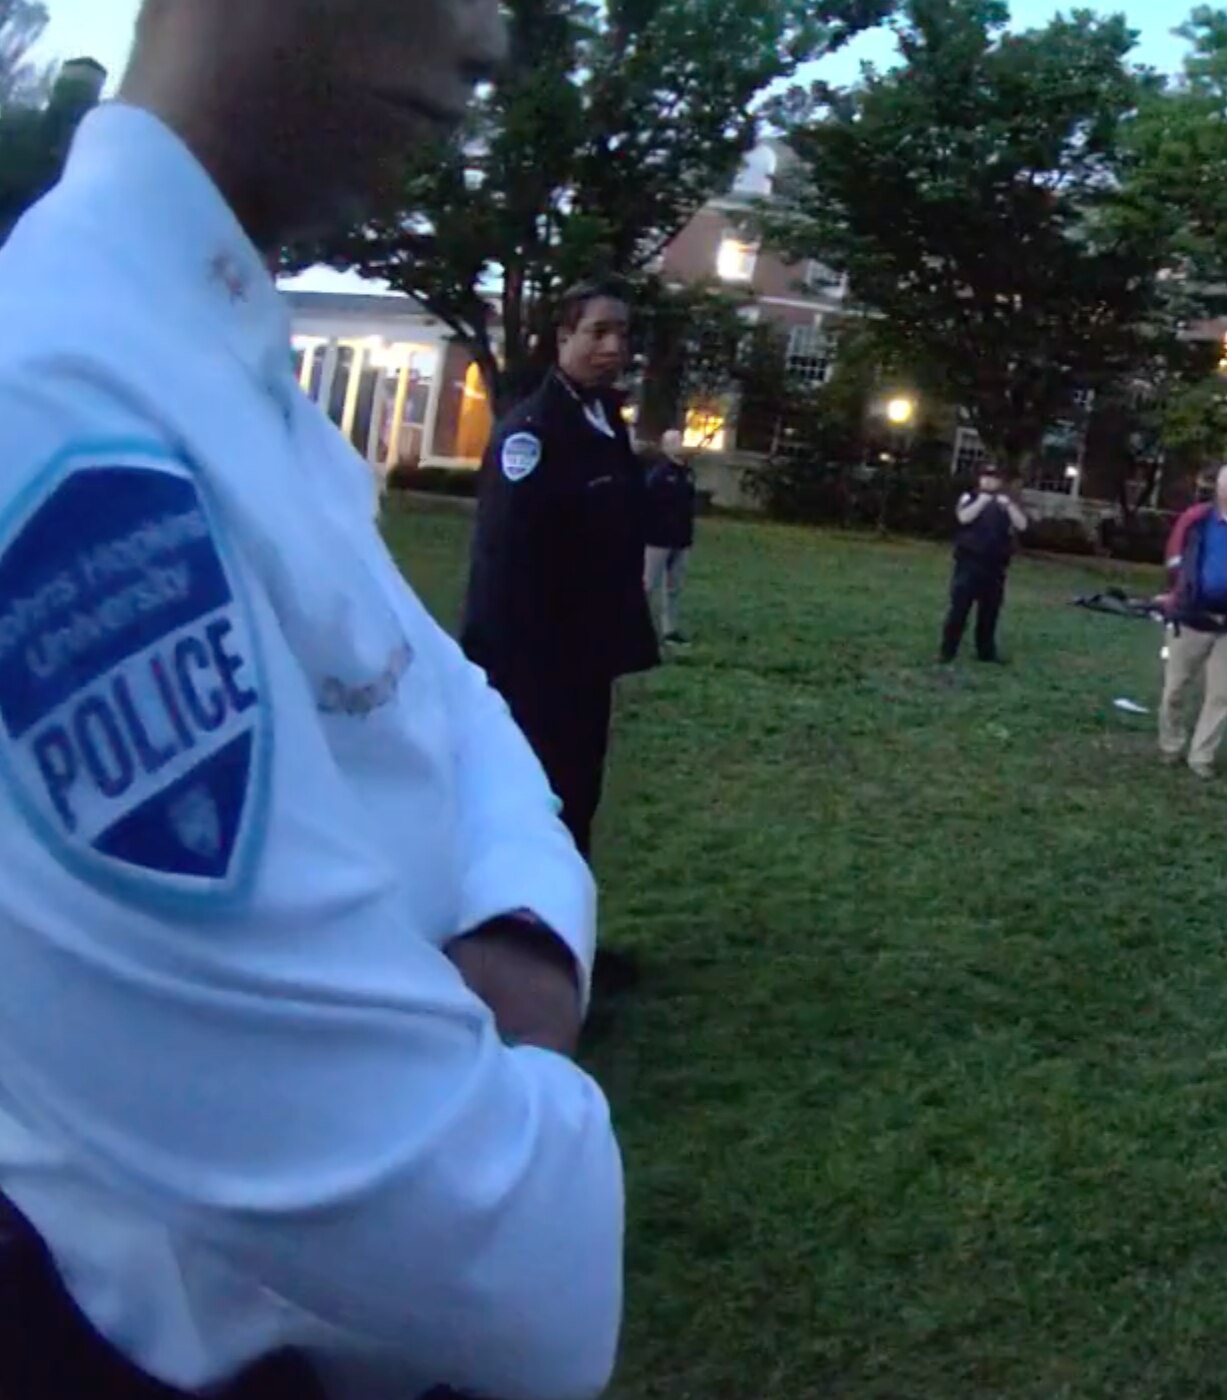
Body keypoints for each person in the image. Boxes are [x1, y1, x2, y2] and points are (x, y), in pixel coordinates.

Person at [0, 3, 623, 1397]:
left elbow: (455, 698)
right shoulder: (52, 401)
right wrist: (530, 1110)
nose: (490, 41)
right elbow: (505, 1260)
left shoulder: (219, 367)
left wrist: (523, 927)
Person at [463, 277, 661, 857]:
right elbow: (504, 559)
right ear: (564, 337)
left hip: (586, 662)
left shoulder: (605, 422)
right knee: (535, 805)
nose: (613, 347)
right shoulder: (532, 434)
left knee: (577, 798)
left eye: (622, 334)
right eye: (598, 332)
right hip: (536, 666)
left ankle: (568, 909)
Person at [1158, 463, 1227, 779]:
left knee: (1221, 695)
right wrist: (1180, 593)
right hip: (1191, 618)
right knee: (1175, 689)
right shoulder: (1195, 520)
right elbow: (1173, 558)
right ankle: (1171, 745)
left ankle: (1202, 757)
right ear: (1221, 489)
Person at [939, 462, 1029, 665]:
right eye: (985, 477)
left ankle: (986, 651)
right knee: (959, 608)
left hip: (995, 565)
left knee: (990, 611)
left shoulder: (1006, 502)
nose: (989, 481)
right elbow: (963, 517)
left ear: (1000, 482)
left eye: (994, 478)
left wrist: (1009, 506)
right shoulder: (969, 497)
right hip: (969, 562)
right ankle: (947, 651)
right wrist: (981, 501)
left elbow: (1022, 525)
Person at [642, 430, 698, 646]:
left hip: (681, 539)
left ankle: (670, 630)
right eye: (673, 442)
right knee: (648, 585)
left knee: (674, 588)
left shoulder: (688, 473)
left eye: (680, 441)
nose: (678, 445)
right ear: (664, 447)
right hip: (658, 539)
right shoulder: (658, 474)